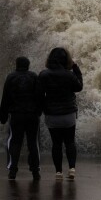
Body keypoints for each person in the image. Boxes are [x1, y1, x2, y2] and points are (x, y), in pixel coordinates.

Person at [38, 47, 83, 180]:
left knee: (56, 144)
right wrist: (75, 67)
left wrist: (41, 111)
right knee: (70, 142)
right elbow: (79, 87)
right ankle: (72, 169)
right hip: (68, 114)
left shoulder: (44, 74)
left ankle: (58, 172)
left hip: (52, 115)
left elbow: (39, 95)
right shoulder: (69, 75)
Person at [0, 56, 41, 181]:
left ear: (16, 65)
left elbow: (5, 98)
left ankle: (12, 171)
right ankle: (35, 172)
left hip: (16, 115)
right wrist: (39, 111)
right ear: (28, 65)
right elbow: (39, 96)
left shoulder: (11, 77)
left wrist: (3, 116)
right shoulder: (34, 76)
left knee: (14, 143)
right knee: (33, 143)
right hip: (32, 115)